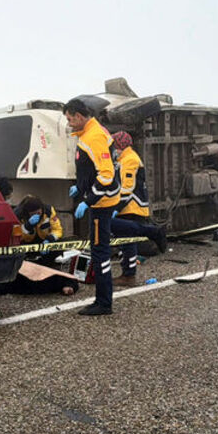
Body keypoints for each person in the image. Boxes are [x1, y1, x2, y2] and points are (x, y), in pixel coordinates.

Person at [64, 98, 120, 316]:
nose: (68, 123)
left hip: (101, 204)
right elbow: (91, 169)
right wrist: (80, 187)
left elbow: (106, 174)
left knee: (100, 253)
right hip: (101, 200)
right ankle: (102, 300)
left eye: (69, 119)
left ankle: (103, 302)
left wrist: (88, 201)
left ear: (79, 116)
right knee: (100, 248)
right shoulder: (89, 133)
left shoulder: (94, 136)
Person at [108, 131, 168, 287]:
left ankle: (128, 275)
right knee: (126, 241)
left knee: (127, 242)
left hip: (131, 206)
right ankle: (127, 274)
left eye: (114, 146)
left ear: (120, 145)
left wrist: (116, 207)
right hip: (128, 206)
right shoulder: (123, 159)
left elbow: (127, 188)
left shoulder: (130, 160)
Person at [14, 195, 64, 266]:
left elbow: (57, 229)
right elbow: (17, 237)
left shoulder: (48, 211)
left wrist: (49, 240)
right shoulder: (18, 215)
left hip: (45, 240)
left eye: (38, 213)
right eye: (33, 214)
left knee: (59, 243)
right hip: (28, 243)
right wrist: (27, 226)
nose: (37, 215)